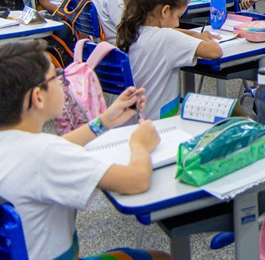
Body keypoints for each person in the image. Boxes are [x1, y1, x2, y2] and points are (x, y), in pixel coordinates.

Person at [0, 39, 168, 260]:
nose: (63, 83)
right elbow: (136, 180)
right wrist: (140, 144)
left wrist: (104, 121)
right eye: (57, 78)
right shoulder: (46, 154)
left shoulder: (20, 144)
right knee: (159, 257)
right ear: (38, 97)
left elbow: (52, 149)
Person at [116, 0, 222, 119]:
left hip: (133, 119)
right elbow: (215, 51)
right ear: (165, 11)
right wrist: (205, 38)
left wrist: (193, 34)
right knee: (231, 110)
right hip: (160, 122)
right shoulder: (166, 38)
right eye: (178, 16)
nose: (178, 24)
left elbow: (169, 32)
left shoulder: (132, 30)